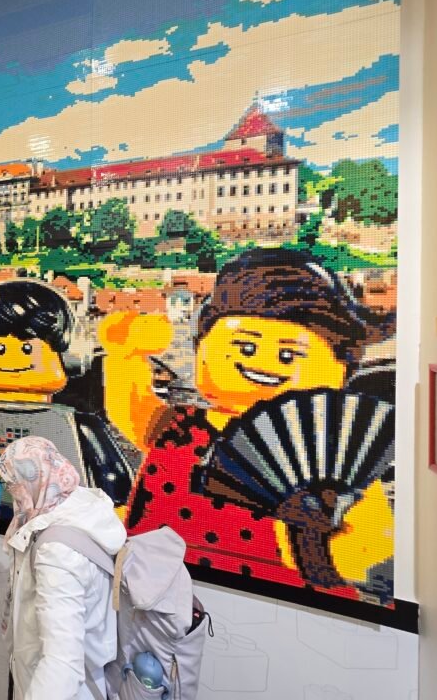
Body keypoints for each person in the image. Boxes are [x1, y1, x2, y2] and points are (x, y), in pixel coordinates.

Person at [99, 247, 394, 592]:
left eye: (288, 355)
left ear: (342, 367)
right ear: (203, 346)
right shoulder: (179, 426)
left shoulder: (335, 455)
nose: (263, 364)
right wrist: (125, 357)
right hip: (155, 586)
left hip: (277, 596)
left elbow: (370, 544)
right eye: (246, 348)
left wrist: (329, 549)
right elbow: (131, 411)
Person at [0, 279, 136, 518]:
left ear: (70, 358)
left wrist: (116, 511)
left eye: (27, 349)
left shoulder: (82, 427)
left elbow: (113, 478)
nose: (13, 361)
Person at [0, 436, 126, 700]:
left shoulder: (57, 553)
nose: (10, 491)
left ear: (36, 479)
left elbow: (62, 663)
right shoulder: (79, 511)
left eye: (12, 483)